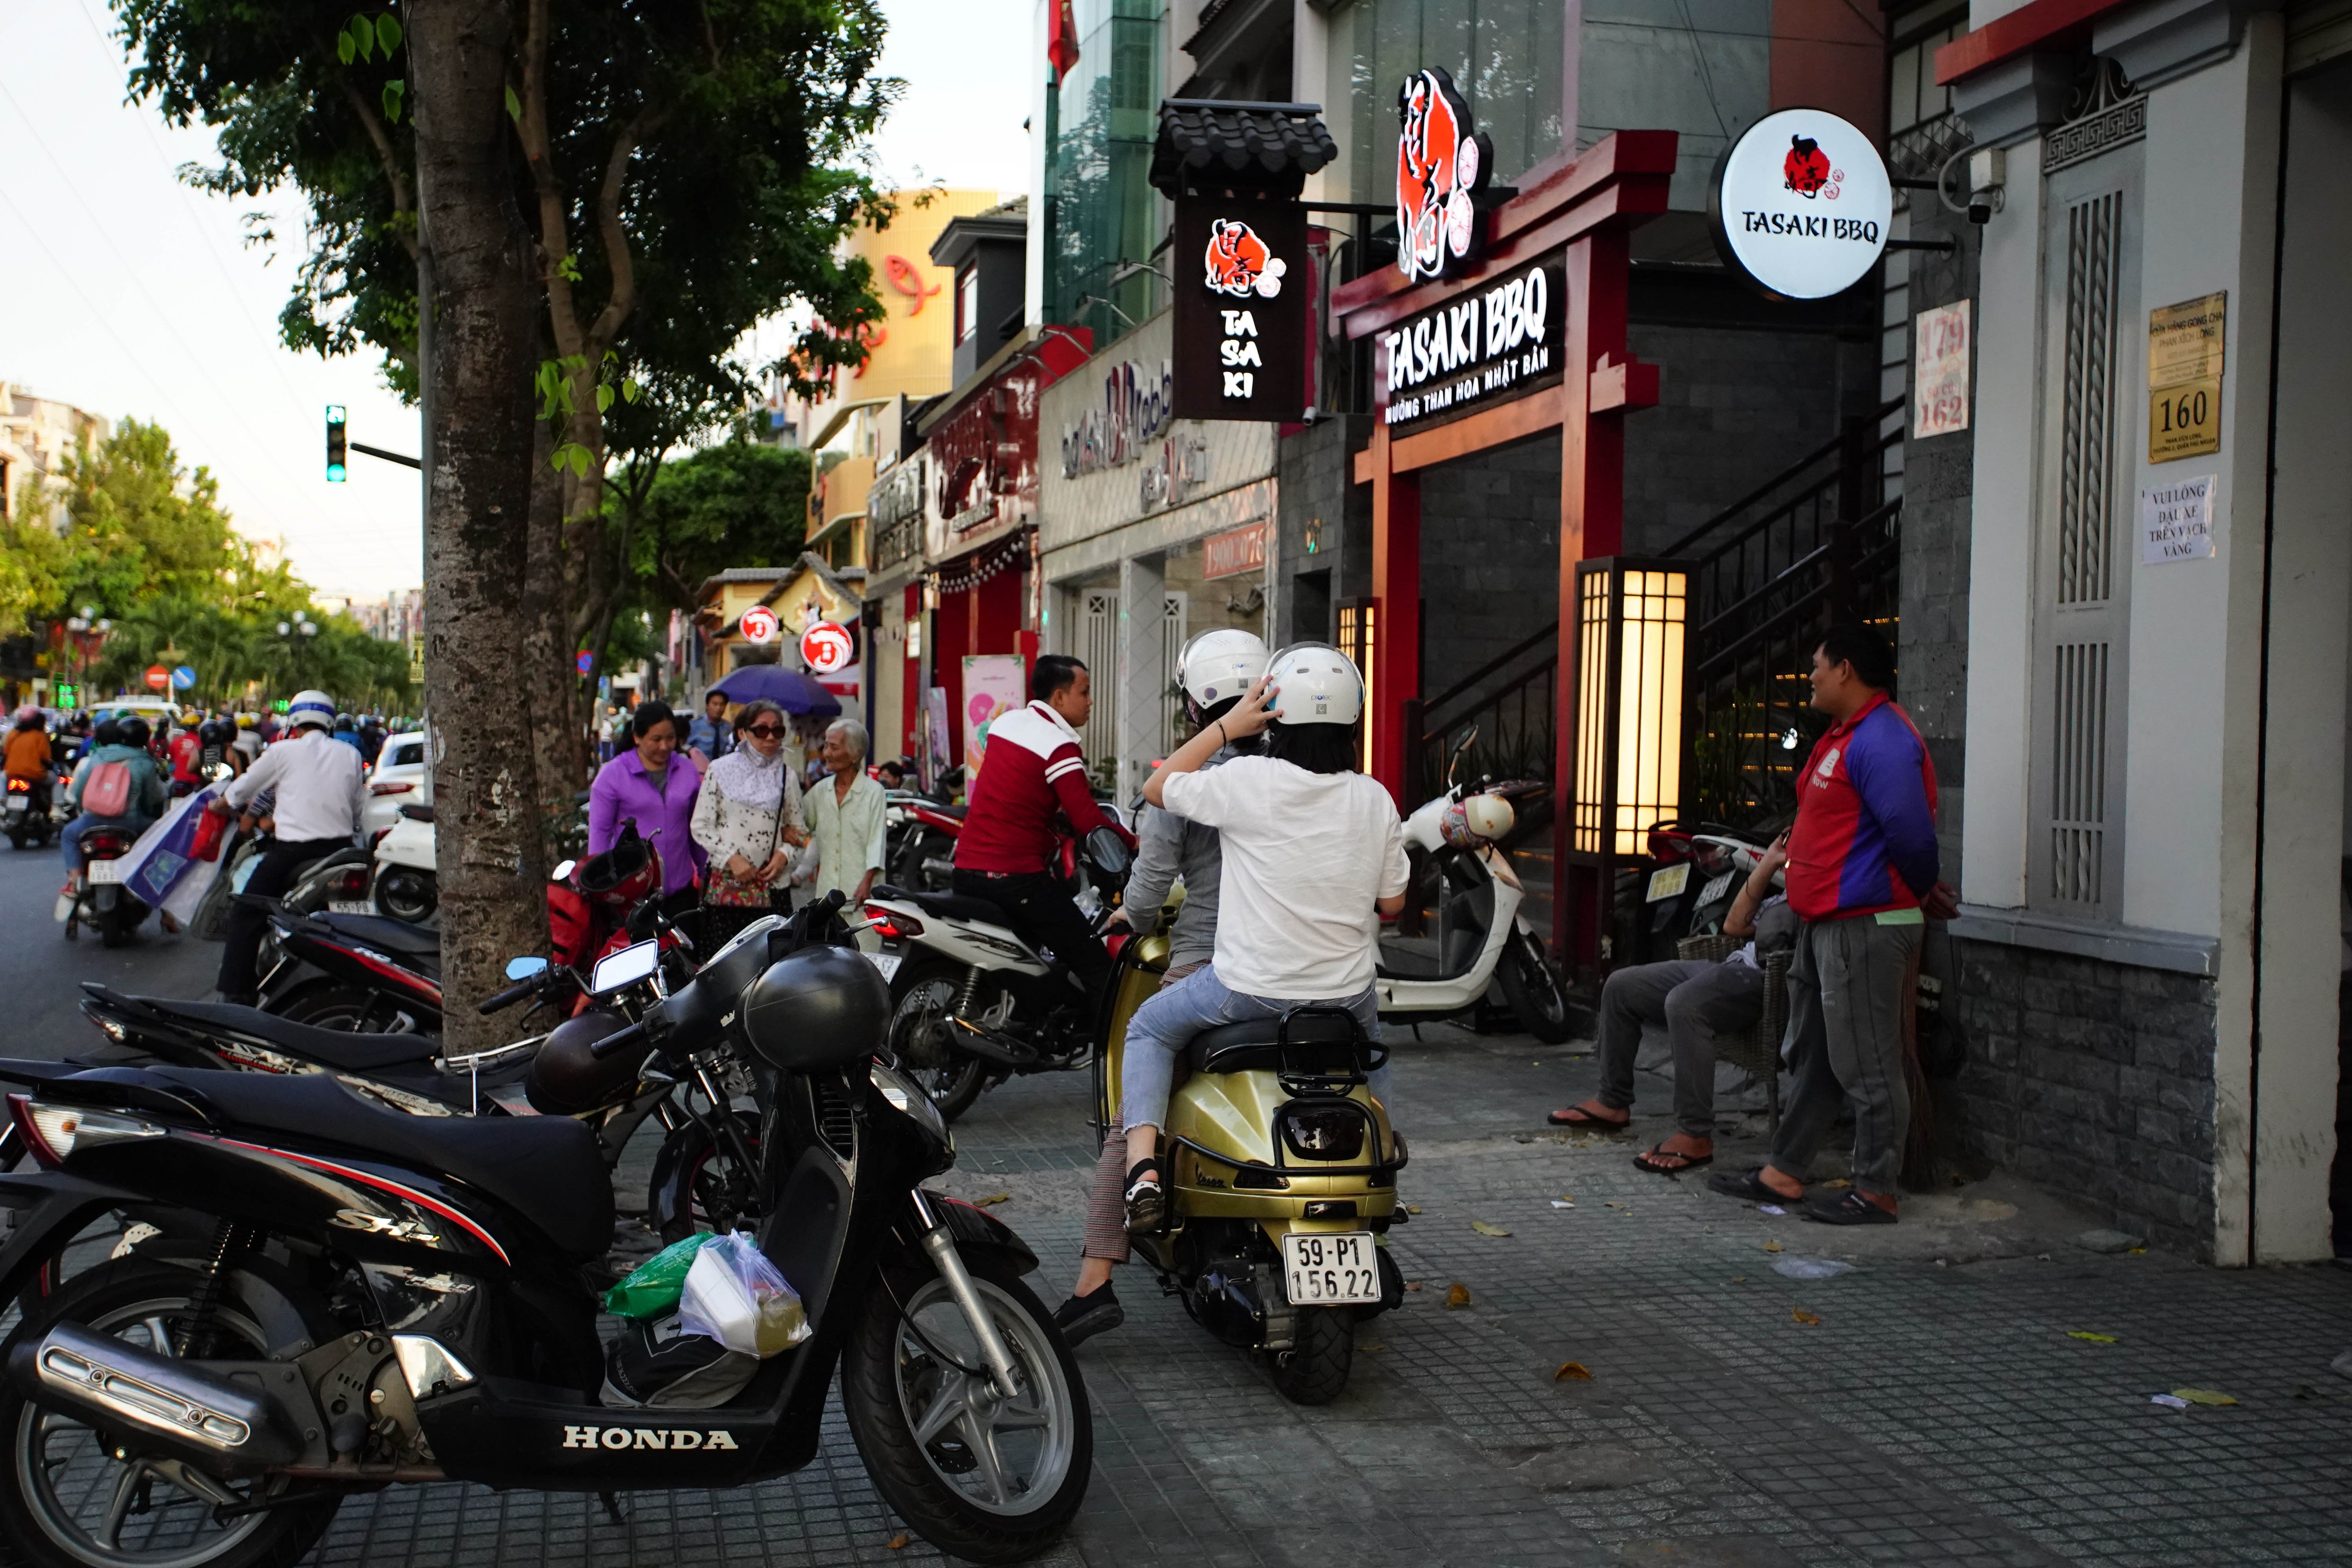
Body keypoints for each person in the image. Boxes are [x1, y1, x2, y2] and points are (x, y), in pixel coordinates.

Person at [1117, 644, 1411, 1234]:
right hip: (1346, 998)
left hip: (1248, 992)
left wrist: (1228, 725)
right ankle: (1381, 1162)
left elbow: (1159, 788)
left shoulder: (1245, 779)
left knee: (1147, 1027)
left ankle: (1142, 1173)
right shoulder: (1375, 798)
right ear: (1355, 722)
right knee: (1368, 1054)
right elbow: (1393, 905)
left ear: (1274, 713)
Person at [1057, 628, 1269, 1347]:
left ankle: (1096, 1276)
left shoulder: (1191, 779)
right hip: (1306, 975)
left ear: (1193, 704)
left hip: (1210, 965)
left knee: (1137, 1091)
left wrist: (1129, 913)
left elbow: (1148, 890)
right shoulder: (1301, 772)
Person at [1709, 623, 1954, 1225]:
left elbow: (1913, 838)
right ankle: (1784, 1171)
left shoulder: (1885, 740)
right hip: (1826, 925)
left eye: (1818, 665)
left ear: (1846, 670)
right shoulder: (1845, 737)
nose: (1811, 676)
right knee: (1815, 1055)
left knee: (1868, 1063)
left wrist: (1920, 890)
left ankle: (1876, 1190)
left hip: (1866, 925)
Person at [1548, 834, 1798, 1172]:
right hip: (1732, 965)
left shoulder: (1824, 884)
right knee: (1621, 986)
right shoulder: (1784, 887)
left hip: (1763, 981)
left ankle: (1695, 1133)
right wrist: (1770, 862)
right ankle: (1613, 1100)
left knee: (1684, 1004)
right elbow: (1733, 925)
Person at [949, 655, 1131, 1007]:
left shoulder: (1005, 724)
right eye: (1086, 692)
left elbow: (1018, 792)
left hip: (966, 870)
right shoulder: (1058, 746)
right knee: (1096, 965)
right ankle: (1116, 1059)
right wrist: (1133, 842)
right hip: (1014, 879)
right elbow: (1088, 820)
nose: (1091, 701)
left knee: (1029, 963)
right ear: (1059, 698)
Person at [210, 690, 368, 1003]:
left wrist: (220, 805)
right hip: (341, 851)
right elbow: (358, 810)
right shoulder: (348, 753)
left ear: (294, 722)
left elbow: (240, 791)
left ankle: (238, 993)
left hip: (293, 853)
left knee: (247, 910)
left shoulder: (282, 751)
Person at [689, 699, 805, 937]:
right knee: (727, 965)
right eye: (762, 730)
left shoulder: (787, 776)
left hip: (773, 888)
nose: (771, 738)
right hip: (728, 887)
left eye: (778, 730)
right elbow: (701, 825)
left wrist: (784, 856)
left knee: (772, 965)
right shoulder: (720, 770)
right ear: (743, 733)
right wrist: (732, 859)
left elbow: (798, 831)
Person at [588, 699, 704, 897]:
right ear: (637, 738)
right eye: (656, 739)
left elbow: (697, 827)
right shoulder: (613, 775)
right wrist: (598, 885)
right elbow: (600, 833)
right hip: (631, 890)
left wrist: (704, 871)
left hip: (681, 889)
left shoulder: (687, 770)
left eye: (671, 738)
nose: (665, 746)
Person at [60, 716, 168, 872]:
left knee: (69, 835)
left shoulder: (98, 757)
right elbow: (153, 798)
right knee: (160, 835)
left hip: (92, 820)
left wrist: (84, 812)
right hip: (130, 822)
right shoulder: (146, 763)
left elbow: (80, 790)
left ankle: (75, 881)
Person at [804, 717, 888, 907]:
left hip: (861, 895)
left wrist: (866, 884)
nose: (826, 754)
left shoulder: (874, 792)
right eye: (826, 747)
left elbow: (877, 843)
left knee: (862, 937)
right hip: (827, 896)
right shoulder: (820, 791)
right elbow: (801, 825)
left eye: (834, 748)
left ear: (855, 755)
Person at [5, 705, 55, 820]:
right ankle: (57, 808)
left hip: (11, 774)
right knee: (57, 781)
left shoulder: (13, 734)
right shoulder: (40, 736)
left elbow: (6, 752)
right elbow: (46, 758)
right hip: (34, 775)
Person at [685, 688, 734, 773]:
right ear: (707, 705)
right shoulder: (695, 726)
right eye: (715, 704)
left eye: (722, 705)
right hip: (700, 773)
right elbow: (685, 748)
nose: (718, 708)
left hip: (722, 773)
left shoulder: (729, 728)